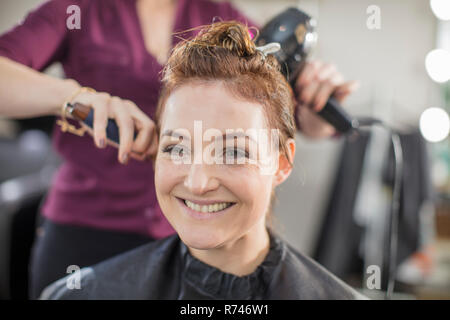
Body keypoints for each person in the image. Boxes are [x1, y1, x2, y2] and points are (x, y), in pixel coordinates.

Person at [0, 0, 358, 298]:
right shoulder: (79, 10)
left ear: (283, 164)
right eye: (178, 147)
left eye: (231, 152)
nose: (200, 179)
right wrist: (74, 99)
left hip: (188, 234)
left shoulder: (229, 22)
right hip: (85, 227)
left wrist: (316, 105)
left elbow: (277, 120)